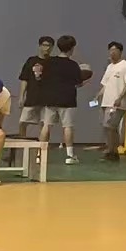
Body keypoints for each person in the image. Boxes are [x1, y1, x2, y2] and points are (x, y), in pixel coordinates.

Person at [39, 34, 90, 163]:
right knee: (67, 127)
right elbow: (78, 83)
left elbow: (42, 78)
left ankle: (40, 155)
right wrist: (86, 80)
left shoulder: (49, 62)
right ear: (72, 48)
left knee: (46, 125)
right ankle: (70, 156)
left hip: (50, 98)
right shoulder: (73, 65)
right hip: (67, 99)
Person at [98, 41, 126, 162]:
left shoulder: (125, 65)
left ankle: (111, 151)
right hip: (107, 102)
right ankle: (113, 151)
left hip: (118, 103)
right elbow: (105, 84)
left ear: (120, 52)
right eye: (111, 50)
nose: (112, 52)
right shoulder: (110, 66)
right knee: (109, 128)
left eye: (115, 50)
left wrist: (120, 98)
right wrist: (98, 96)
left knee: (110, 125)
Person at [16, 35, 56, 139]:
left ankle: (43, 146)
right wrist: (21, 96)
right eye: (45, 45)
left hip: (48, 99)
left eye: (49, 46)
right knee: (23, 122)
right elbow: (24, 79)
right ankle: (22, 143)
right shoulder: (31, 61)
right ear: (40, 46)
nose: (47, 48)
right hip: (32, 97)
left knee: (45, 124)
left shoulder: (54, 62)